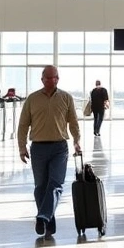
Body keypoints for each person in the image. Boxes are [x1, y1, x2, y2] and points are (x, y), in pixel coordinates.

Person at [17, 65, 81, 237]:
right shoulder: (32, 99)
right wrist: (22, 147)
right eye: (48, 78)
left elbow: (73, 122)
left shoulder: (66, 98)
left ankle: (43, 216)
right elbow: (23, 125)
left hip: (59, 147)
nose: (51, 80)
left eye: (54, 77)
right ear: (42, 79)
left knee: (56, 184)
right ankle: (47, 221)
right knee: (41, 187)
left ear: (58, 79)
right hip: (38, 148)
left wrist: (77, 140)